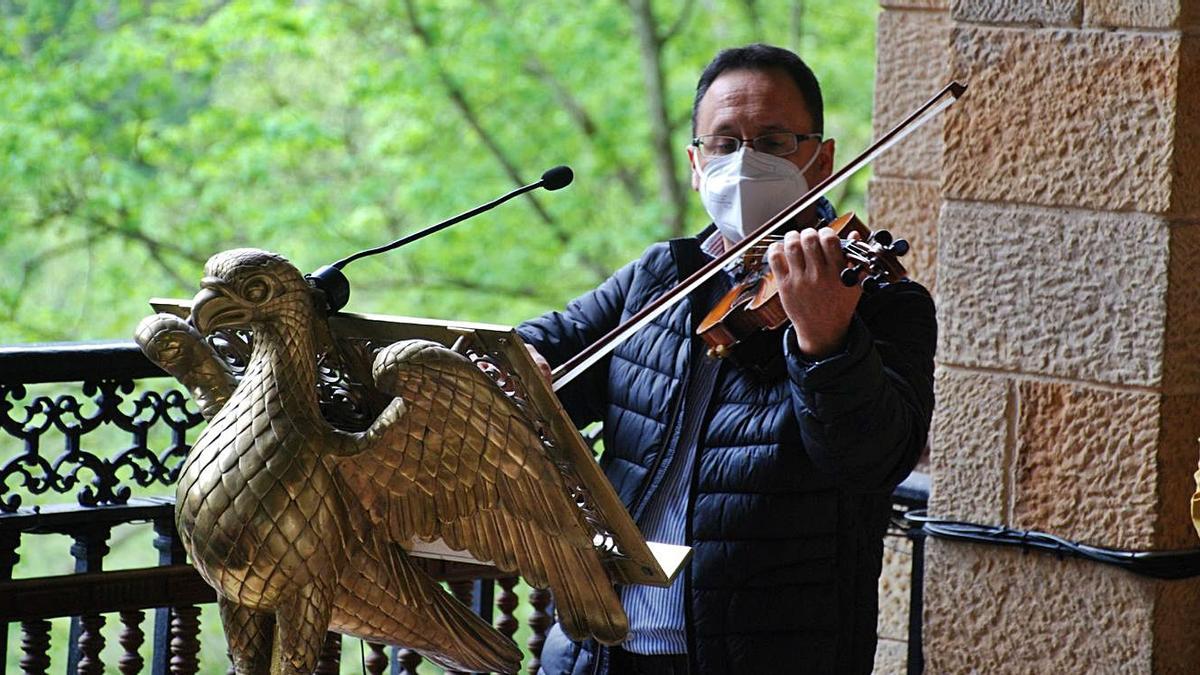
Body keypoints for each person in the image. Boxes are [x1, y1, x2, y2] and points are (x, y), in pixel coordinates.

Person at [517, 43, 935, 675]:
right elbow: (548, 344)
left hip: (762, 653)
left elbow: (872, 459)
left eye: (773, 141)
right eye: (724, 142)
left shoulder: (879, 303)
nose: (744, 162)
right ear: (694, 162)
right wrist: (520, 362)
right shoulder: (663, 276)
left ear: (820, 161)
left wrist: (827, 343)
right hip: (599, 649)